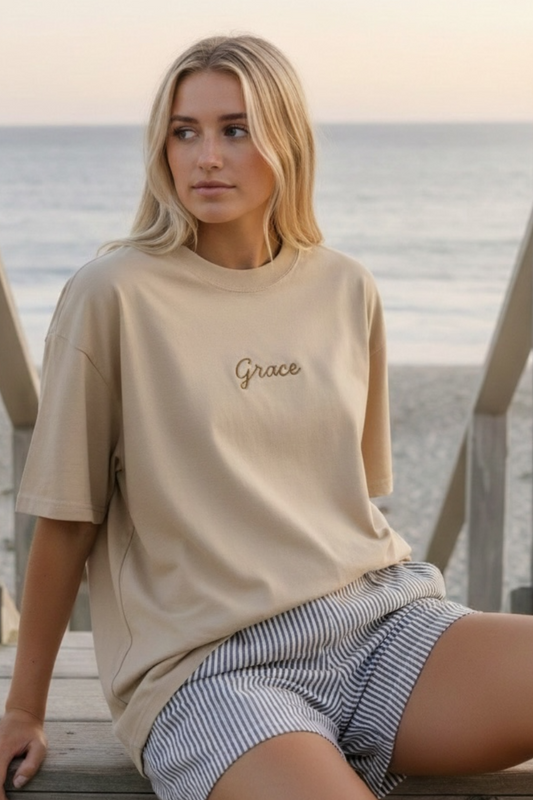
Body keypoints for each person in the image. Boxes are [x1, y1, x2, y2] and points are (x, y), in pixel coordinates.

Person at [0, 33, 532, 800]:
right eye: (184, 132)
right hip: (211, 670)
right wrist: (24, 708)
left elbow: (346, 497)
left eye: (235, 129)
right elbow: (65, 519)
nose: (206, 157)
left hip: (379, 626)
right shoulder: (111, 295)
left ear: (286, 140)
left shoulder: (347, 288)